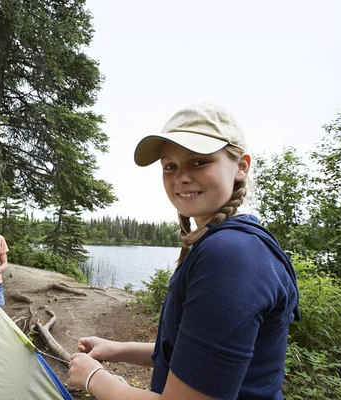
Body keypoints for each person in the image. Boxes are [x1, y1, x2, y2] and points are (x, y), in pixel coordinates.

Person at [66, 103, 300, 399]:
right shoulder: (226, 243)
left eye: (199, 161)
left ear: (241, 166)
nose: (181, 177)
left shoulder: (231, 255)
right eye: (170, 166)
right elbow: (196, 356)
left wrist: (95, 379)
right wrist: (117, 349)